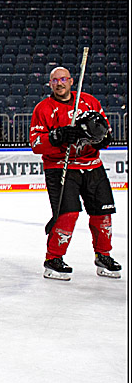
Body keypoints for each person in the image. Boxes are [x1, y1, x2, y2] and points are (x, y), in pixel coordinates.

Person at [30, 65, 120, 280]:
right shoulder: (43, 108)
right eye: (55, 81)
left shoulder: (90, 102)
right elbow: (35, 143)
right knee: (67, 214)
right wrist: (57, 137)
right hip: (61, 167)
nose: (59, 83)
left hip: (92, 166)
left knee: (102, 213)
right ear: (50, 84)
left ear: (71, 81)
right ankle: (53, 259)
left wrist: (103, 138)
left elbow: (105, 131)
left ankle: (103, 255)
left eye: (63, 79)